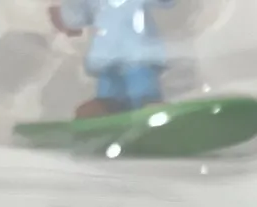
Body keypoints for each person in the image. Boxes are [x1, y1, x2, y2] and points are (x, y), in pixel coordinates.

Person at [48, 0, 176, 119]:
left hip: (138, 56)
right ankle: (109, 113)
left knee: (142, 90)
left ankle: (148, 109)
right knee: (109, 96)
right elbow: (77, 12)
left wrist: (67, 17)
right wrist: (65, 17)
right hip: (107, 58)